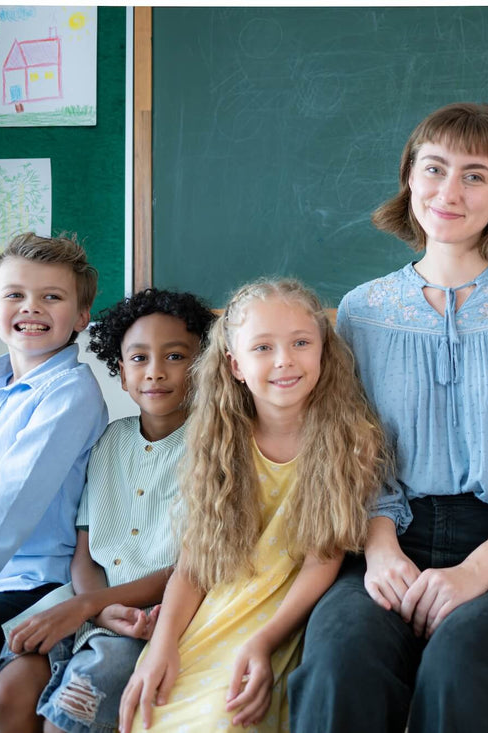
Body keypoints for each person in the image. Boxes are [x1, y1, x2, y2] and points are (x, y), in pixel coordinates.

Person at [289, 102, 488, 733]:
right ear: (409, 177)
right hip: (386, 542)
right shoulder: (361, 311)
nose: (449, 191)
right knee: (337, 665)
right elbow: (352, 453)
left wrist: (473, 573)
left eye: (476, 174)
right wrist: (378, 551)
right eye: (435, 168)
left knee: (463, 667)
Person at [117, 279, 389, 732]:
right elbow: (195, 563)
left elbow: (324, 558)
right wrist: (162, 645)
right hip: (214, 617)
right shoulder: (219, 439)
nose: (284, 360)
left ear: (324, 350)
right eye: (262, 347)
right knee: (157, 716)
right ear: (235, 365)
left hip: (289, 619)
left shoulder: (349, 439)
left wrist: (264, 642)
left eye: (301, 343)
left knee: (223, 720)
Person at [0, 288, 216, 733]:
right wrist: (92, 607)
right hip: (86, 602)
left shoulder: (215, 451)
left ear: (204, 367)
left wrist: (95, 606)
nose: (156, 372)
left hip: (155, 616)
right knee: (5, 694)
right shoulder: (110, 441)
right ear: (121, 372)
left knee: (70, 717)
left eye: (176, 357)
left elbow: (194, 567)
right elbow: (85, 553)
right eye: (140, 358)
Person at [0, 232, 107, 700]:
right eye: (15, 295)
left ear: (80, 317)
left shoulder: (70, 393)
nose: (31, 307)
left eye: (51, 297)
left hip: (35, 588)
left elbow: (3, 512)